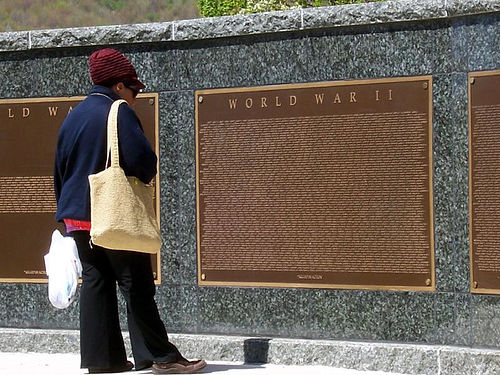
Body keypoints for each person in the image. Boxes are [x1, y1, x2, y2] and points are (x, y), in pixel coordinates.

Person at [54, 48, 206, 374]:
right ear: (119, 85)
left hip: (76, 214)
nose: (136, 95)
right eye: (134, 88)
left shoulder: (74, 116)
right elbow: (143, 162)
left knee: (96, 281)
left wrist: (67, 214)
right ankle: (161, 357)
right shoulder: (117, 111)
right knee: (135, 283)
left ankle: (102, 360)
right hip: (111, 213)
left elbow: (60, 169)